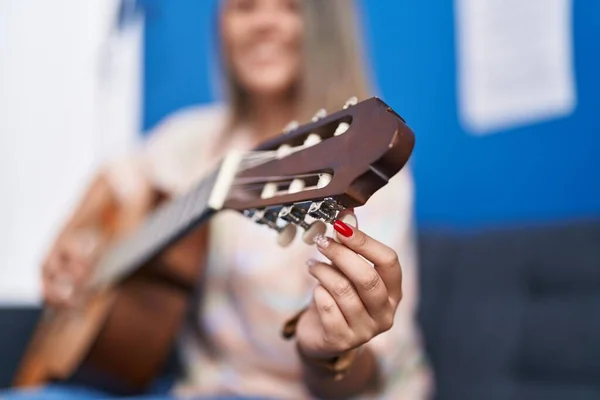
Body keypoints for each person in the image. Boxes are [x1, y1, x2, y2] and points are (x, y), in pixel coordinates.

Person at [4, 0, 432, 398]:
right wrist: (70, 245)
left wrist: (328, 355)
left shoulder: (358, 168)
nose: (263, 22)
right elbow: (116, 176)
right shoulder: (191, 139)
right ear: (223, 25)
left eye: (289, 6)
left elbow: (368, 375)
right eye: (244, 5)